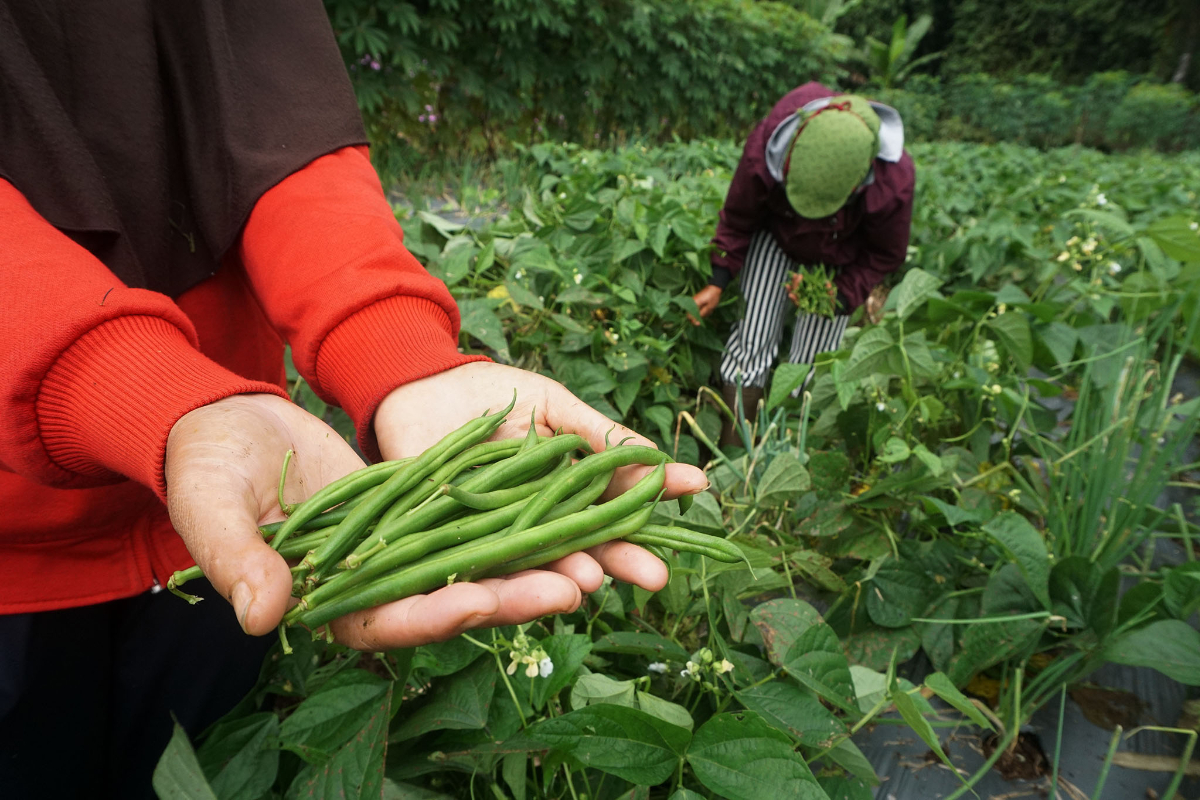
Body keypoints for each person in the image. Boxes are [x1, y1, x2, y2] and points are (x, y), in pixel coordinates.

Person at [0, 3, 705, 796]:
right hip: (19, 556)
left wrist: (399, 355)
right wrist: (133, 389)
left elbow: (276, 126)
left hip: (261, 502)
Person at [690, 82, 915, 442]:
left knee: (813, 364)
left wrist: (840, 295)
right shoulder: (768, 144)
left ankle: (785, 458)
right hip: (775, 235)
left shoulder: (892, 181)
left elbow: (884, 254)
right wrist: (719, 278)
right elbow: (738, 215)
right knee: (751, 341)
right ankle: (734, 452)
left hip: (842, 254)